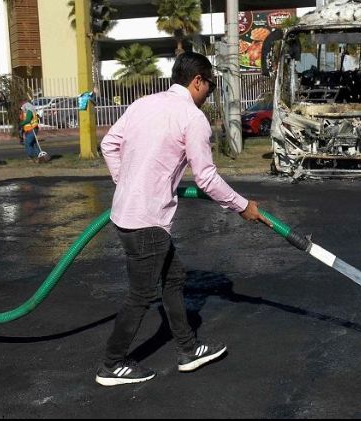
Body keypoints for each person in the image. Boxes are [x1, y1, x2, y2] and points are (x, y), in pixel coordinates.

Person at [97, 52, 269, 387]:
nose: (209, 94)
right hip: (147, 222)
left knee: (174, 277)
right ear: (198, 81)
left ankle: (188, 350)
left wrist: (127, 183)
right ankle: (112, 364)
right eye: (210, 87)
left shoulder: (143, 104)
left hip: (126, 215)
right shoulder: (192, 117)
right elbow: (206, 178)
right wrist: (242, 206)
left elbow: (109, 144)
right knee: (141, 295)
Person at [19, 98, 40, 162]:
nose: (21, 107)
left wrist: (20, 124)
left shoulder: (29, 110)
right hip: (30, 129)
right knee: (33, 144)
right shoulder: (28, 110)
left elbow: (28, 120)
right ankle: (39, 156)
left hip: (32, 129)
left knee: (27, 143)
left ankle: (30, 157)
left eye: (22, 105)